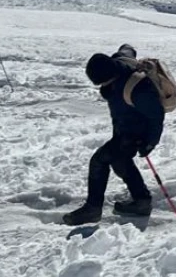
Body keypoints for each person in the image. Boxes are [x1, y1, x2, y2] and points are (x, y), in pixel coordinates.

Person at [62, 52, 166, 225]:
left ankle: (93, 209)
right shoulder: (118, 63)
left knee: (99, 161)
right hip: (122, 128)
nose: (101, 86)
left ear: (111, 75)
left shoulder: (138, 88)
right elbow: (126, 50)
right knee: (120, 161)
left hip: (136, 134)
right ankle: (141, 202)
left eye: (102, 82)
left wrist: (150, 143)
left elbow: (156, 115)